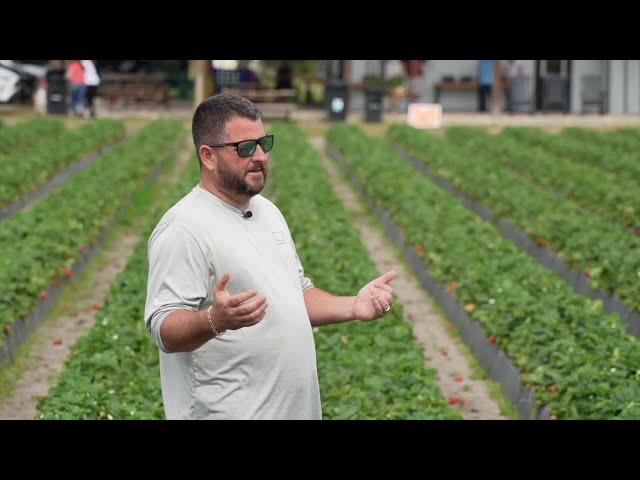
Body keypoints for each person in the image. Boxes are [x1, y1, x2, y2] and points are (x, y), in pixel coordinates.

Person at [144, 93, 396, 420]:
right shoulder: (184, 228)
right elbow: (165, 328)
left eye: (264, 143)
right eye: (246, 147)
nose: (261, 156)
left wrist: (354, 305)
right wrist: (215, 320)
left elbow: (297, 292)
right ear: (208, 156)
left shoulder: (268, 212)